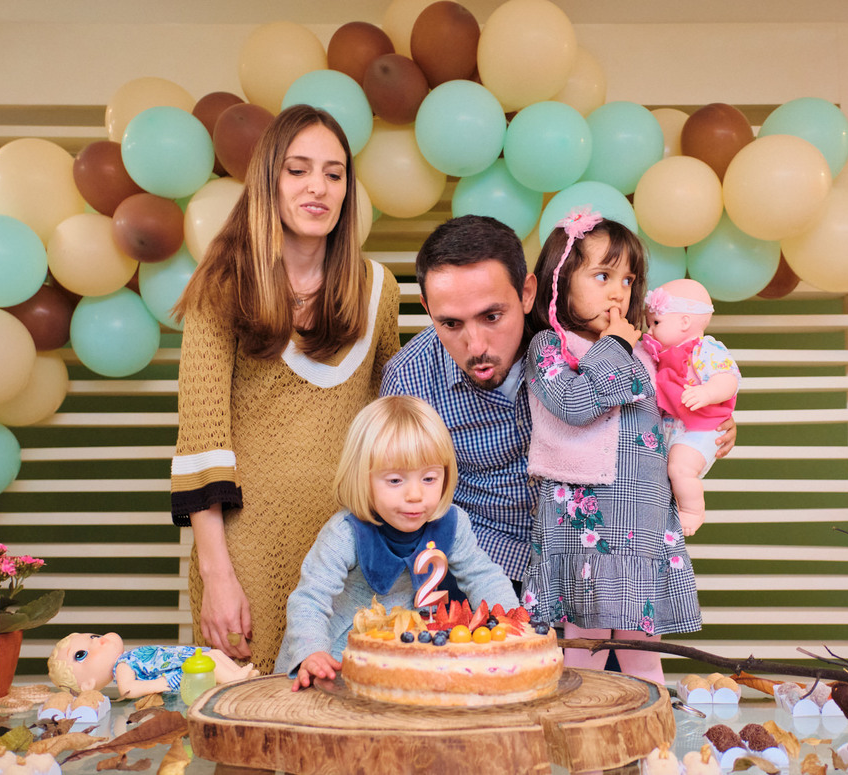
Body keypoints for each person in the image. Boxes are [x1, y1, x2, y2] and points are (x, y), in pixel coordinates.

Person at [380, 215, 736, 589]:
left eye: (492, 316)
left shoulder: (580, 338)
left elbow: (651, 417)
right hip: (480, 564)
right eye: (451, 324)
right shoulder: (409, 379)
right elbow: (398, 502)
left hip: (593, 560)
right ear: (427, 307)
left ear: (527, 293)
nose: (477, 345)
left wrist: (706, 422)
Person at [170, 104, 401, 674]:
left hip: (351, 551)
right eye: (298, 170)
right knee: (247, 713)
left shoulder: (379, 290)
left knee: (350, 712)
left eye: (334, 173)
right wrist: (217, 576)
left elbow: (390, 430)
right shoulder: (222, 286)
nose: (317, 187)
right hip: (246, 553)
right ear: (268, 179)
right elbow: (201, 442)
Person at [520, 207, 700, 686]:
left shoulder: (642, 350)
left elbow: (671, 410)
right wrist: (615, 346)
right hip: (586, 522)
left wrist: (714, 424)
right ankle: (582, 730)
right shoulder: (550, 347)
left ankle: (653, 728)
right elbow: (573, 403)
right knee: (586, 648)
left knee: (644, 651)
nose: (619, 292)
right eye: (602, 276)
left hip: (644, 514)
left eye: (627, 280)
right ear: (560, 280)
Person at [274, 395, 518, 689]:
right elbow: (310, 599)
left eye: (429, 479)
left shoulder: (453, 525)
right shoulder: (345, 534)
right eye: (395, 481)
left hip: (400, 663)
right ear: (362, 479)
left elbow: (484, 577)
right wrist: (312, 652)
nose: (415, 495)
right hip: (333, 661)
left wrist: (511, 623)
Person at [642, 278, 740, 537]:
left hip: (701, 428)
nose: (649, 330)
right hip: (673, 428)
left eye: (656, 323)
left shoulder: (706, 350)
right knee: (670, 472)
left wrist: (707, 392)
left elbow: (728, 379)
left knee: (680, 469)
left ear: (685, 322)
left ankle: (693, 511)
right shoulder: (659, 355)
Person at [48, 632, 256, 698]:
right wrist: (158, 684)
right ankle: (233, 680)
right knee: (210, 663)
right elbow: (128, 689)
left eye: (92, 637)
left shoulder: (126, 659)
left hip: (181, 658)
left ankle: (238, 673)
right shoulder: (122, 667)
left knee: (215, 654)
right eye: (81, 654)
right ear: (88, 685)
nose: (97, 641)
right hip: (175, 672)